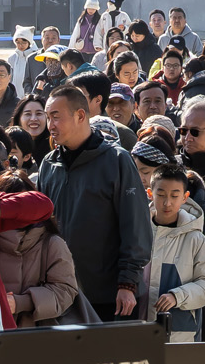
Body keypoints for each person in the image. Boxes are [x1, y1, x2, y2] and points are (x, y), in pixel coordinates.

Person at [34, 85, 151, 321]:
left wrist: (127, 284)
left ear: (80, 115)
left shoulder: (117, 160)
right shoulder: (49, 164)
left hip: (109, 295)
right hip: (59, 293)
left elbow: (136, 227)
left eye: (55, 117)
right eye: (48, 118)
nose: (50, 125)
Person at [0, 178, 80, 327]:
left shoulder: (51, 243)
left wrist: (20, 302)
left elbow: (65, 291)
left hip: (34, 337)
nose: (20, 213)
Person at [145, 165, 205, 342]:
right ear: (150, 193)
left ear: (185, 197)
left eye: (174, 196)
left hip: (180, 333)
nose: (167, 202)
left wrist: (178, 296)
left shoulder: (195, 238)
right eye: (161, 194)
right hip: (138, 329)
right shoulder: (138, 231)